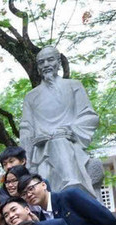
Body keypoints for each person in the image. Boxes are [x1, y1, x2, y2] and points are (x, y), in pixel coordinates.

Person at [20, 46, 101, 197]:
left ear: (58, 62)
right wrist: (28, 159)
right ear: (38, 67)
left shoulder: (74, 86)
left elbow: (90, 116)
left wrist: (71, 129)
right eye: (41, 62)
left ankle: (72, 184)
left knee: (59, 142)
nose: (46, 65)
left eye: (50, 60)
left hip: (69, 144)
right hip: (41, 151)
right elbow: (26, 128)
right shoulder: (31, 96)